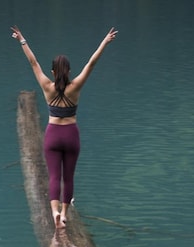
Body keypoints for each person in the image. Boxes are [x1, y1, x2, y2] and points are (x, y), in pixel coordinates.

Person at [10, 25, 117, 229]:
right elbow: (92, 63)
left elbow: (33, 62)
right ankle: (65, 214)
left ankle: (54, 212)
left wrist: (22, 40)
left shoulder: (46, 86)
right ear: (69, 71)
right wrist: (105, 42)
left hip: (53, 135)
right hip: (71, 135)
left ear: (52, 72)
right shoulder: (75, 86)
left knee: (54, 177)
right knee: (68, 177)